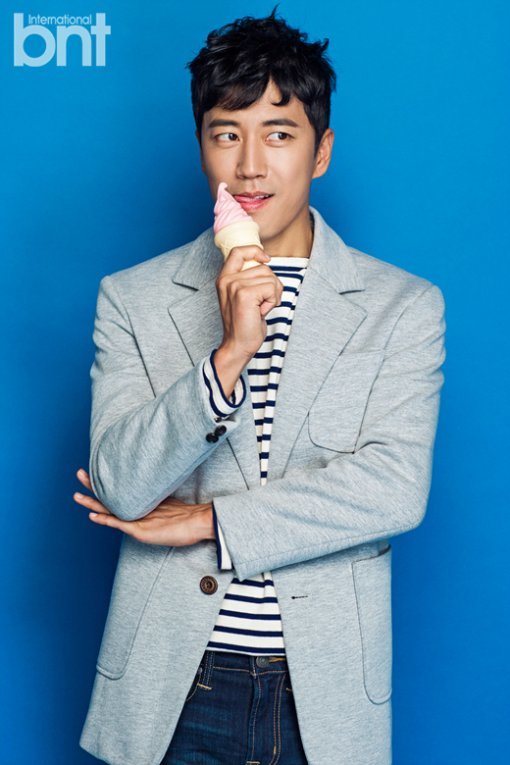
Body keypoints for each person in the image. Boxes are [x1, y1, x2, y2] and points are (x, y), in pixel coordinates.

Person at [76, 6, 446, 764]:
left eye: (279, 134)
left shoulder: (403, 306)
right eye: (226, 134)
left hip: (324, 692)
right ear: (202, 147)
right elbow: (120, 485)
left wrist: (213, 521)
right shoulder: (133, 297)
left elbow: (394, 488)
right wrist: (229, 357)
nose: (250, 166)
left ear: (320, 151)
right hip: (173, 685)